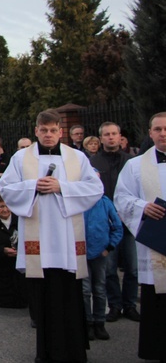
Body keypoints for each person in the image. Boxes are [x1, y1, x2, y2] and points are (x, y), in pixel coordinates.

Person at [0, 109, 103, 363]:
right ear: (36, 131)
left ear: (60, 131)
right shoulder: (21, 158)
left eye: (53, 130)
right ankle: (45, 353)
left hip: (67, 241)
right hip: (39, 243)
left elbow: (96, 187)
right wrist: (33, 186)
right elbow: (6, 188)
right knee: (43, 298)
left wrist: (61, 187)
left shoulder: (76, 157)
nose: (48, 134)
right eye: (43, 130)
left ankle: (75, 352)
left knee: (69, 295)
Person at [114, 111, 166, 361]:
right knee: (157, 298)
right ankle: (156, 349)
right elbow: (121, 198)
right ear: (150, 133)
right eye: (158, 129)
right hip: (155, 243)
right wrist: (142, 207)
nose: (163, 133)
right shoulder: (135, 165)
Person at [89, 122, 139, 323]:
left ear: (120, 137)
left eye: (114, 134)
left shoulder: (132, 162)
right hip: (105, 224)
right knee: (109, 270)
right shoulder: (92, 162)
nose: (111, 137)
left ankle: (130, 305)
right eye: (107, 134)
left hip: (130, 222)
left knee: (132, 268)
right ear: (101, 138)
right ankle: (115, 305)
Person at [81, 188, 123, 342]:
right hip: (81, 253)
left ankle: (100, 322)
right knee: (85, 290)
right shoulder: (78, 202)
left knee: (99, 288)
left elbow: (117, 227)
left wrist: (109, 247)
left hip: (100, 253)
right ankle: (88, 322)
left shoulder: (105, 202)